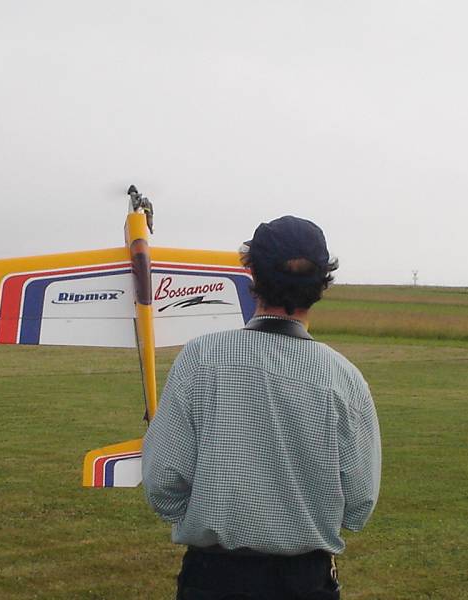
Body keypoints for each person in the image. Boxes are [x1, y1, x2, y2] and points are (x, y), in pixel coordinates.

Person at [142, 215, 381, 600]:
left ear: (251, 272)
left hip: (213, 579)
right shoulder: (344, 378)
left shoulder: (201, 358)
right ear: (322, 282)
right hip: (306, 581)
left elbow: (163, 484)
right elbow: (358, 505)